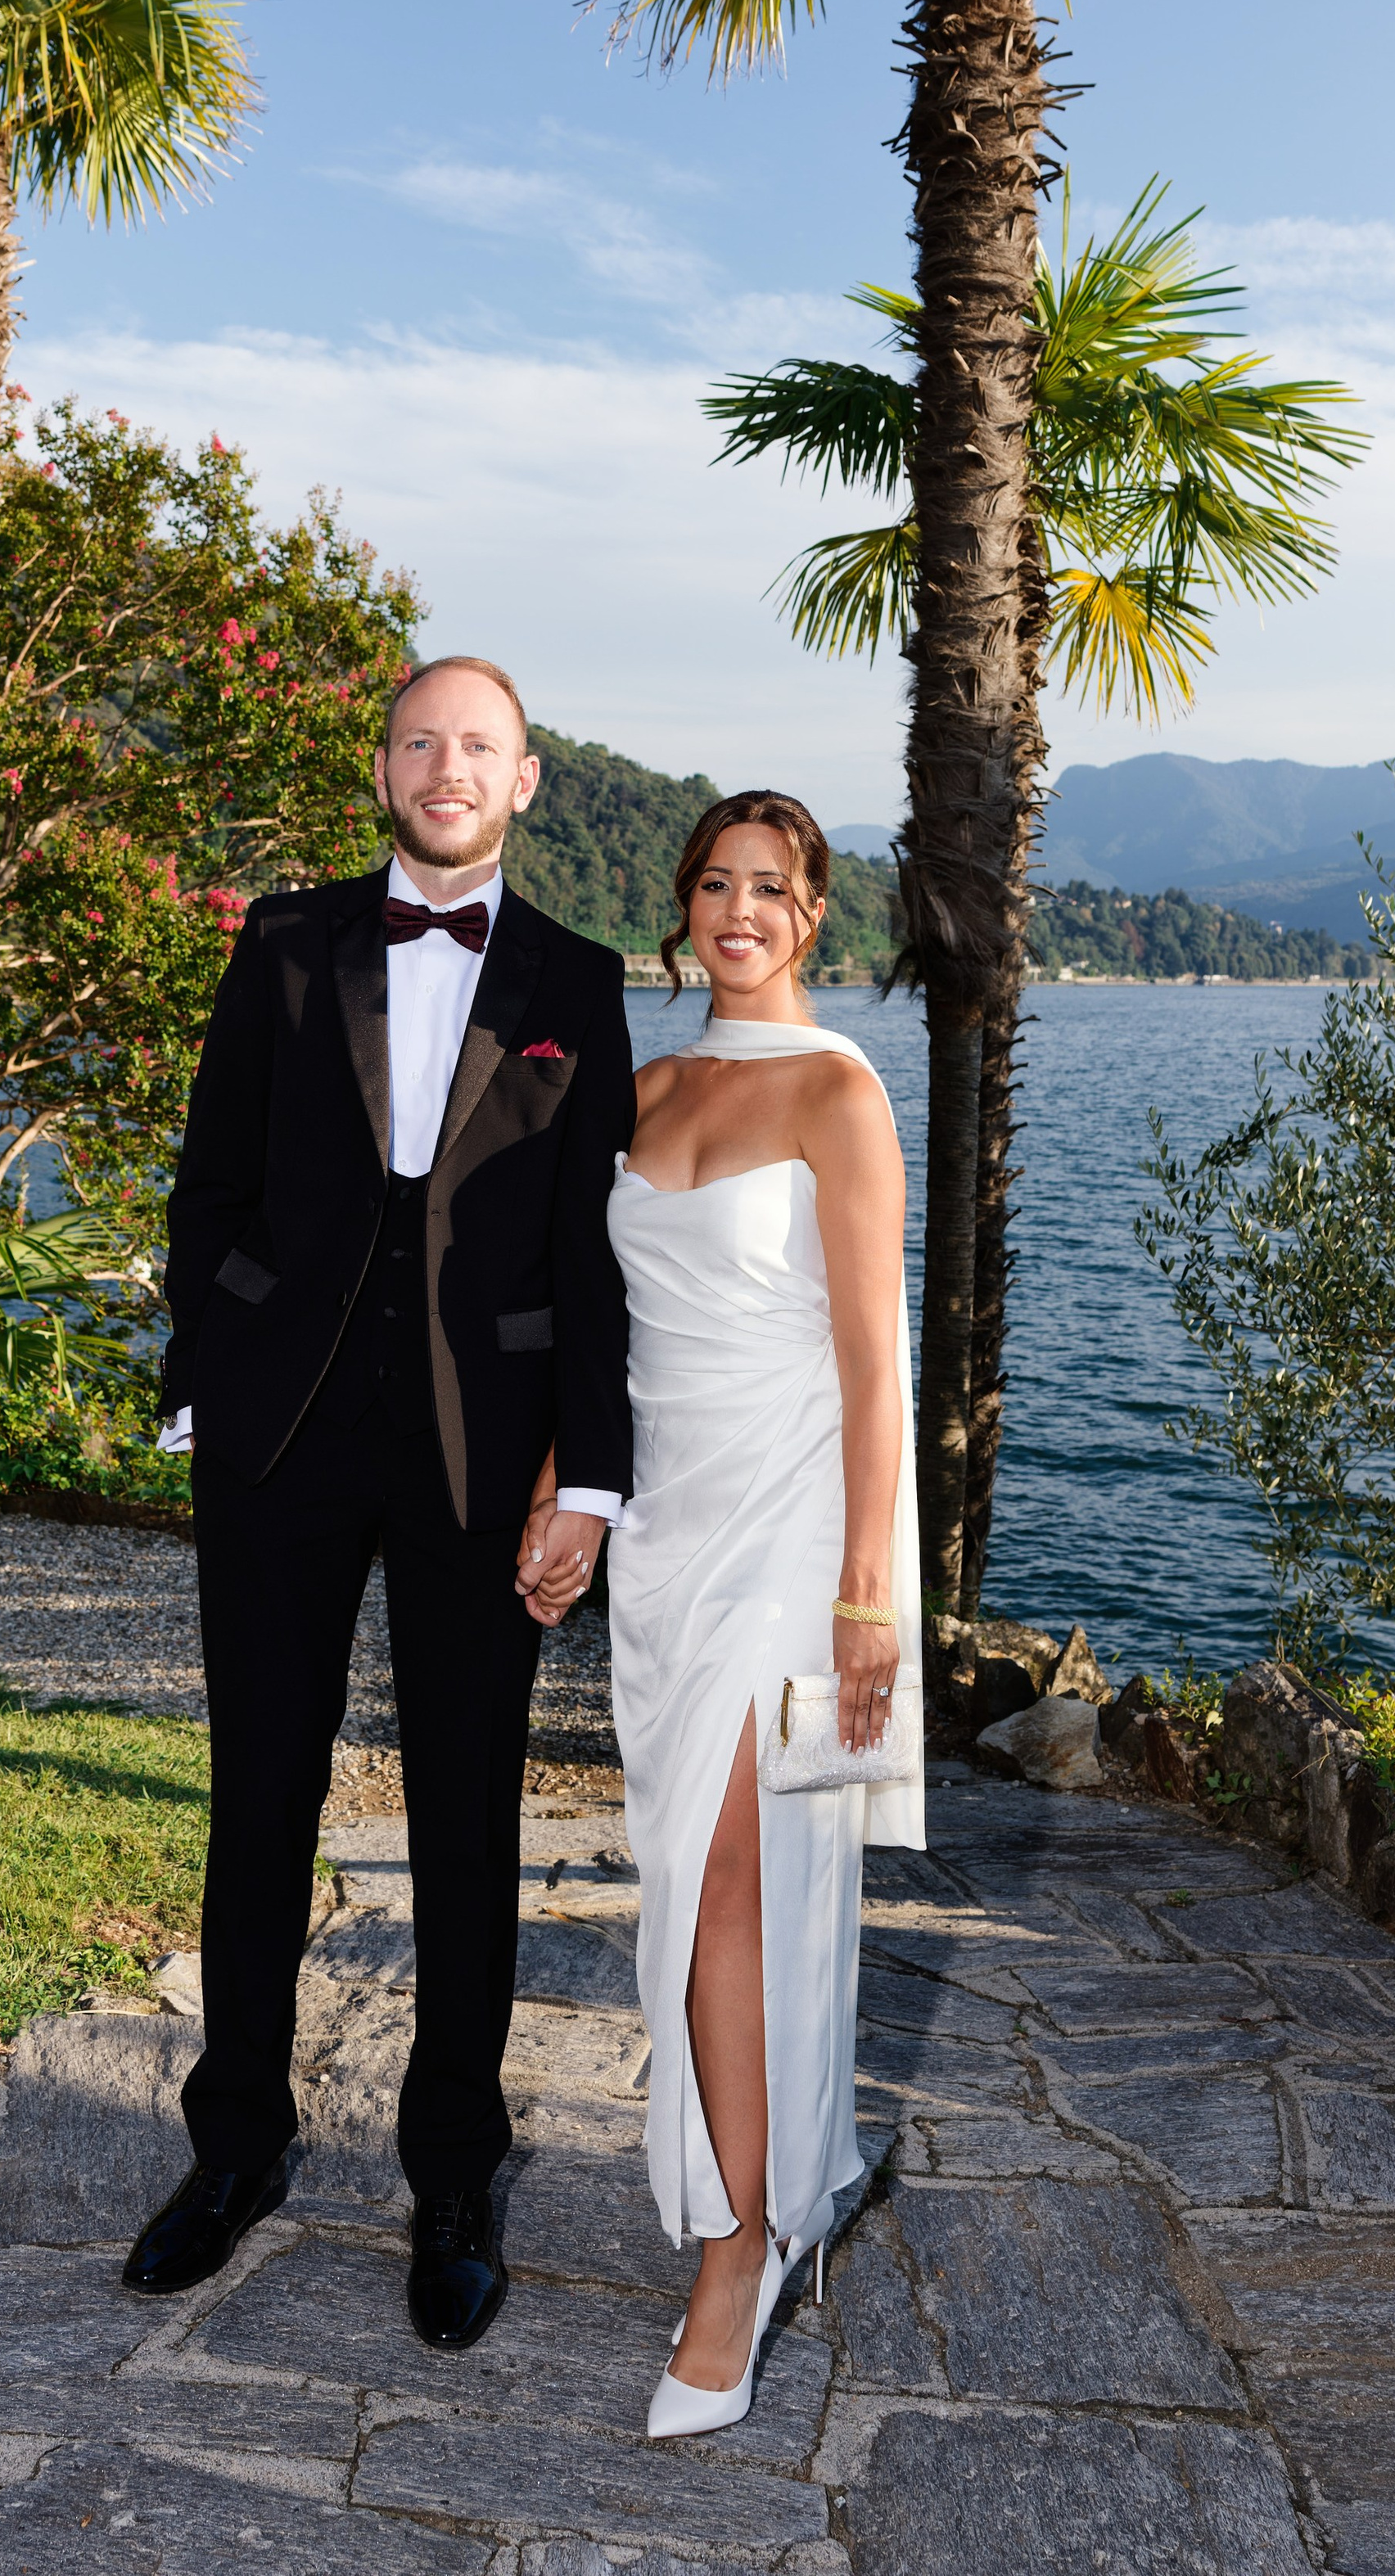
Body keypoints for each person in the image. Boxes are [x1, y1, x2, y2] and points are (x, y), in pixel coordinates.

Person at [123, 655, 633, 2350]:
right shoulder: (284, 944)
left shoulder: (576, 979)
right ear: (385, 766)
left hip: (483, 1450)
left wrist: (591, 1475)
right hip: (279, 1433)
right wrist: (208, 1373)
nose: (446, 767)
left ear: (524, 778)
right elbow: (210, 1181)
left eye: (477, 745)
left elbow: (594, 1251)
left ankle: (455, 2177)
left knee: (466, 1817)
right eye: (420, 741)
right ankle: (234, 2148)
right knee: (260, 1793)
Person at [539, 788, 923, 2434]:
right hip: (666, 1542)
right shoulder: (644, 1089)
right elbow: (602, 1335)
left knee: (729, 1887)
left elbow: (874, 1365)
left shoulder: (840, 1092)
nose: (740, 911)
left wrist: (866, 1595)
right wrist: (566, 1489)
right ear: (683, 908)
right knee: (690, 1882)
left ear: (813, 913)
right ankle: (801, 2172)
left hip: (795, 1536)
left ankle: (738, 2249)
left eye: (771, 887)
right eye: (715, 884)